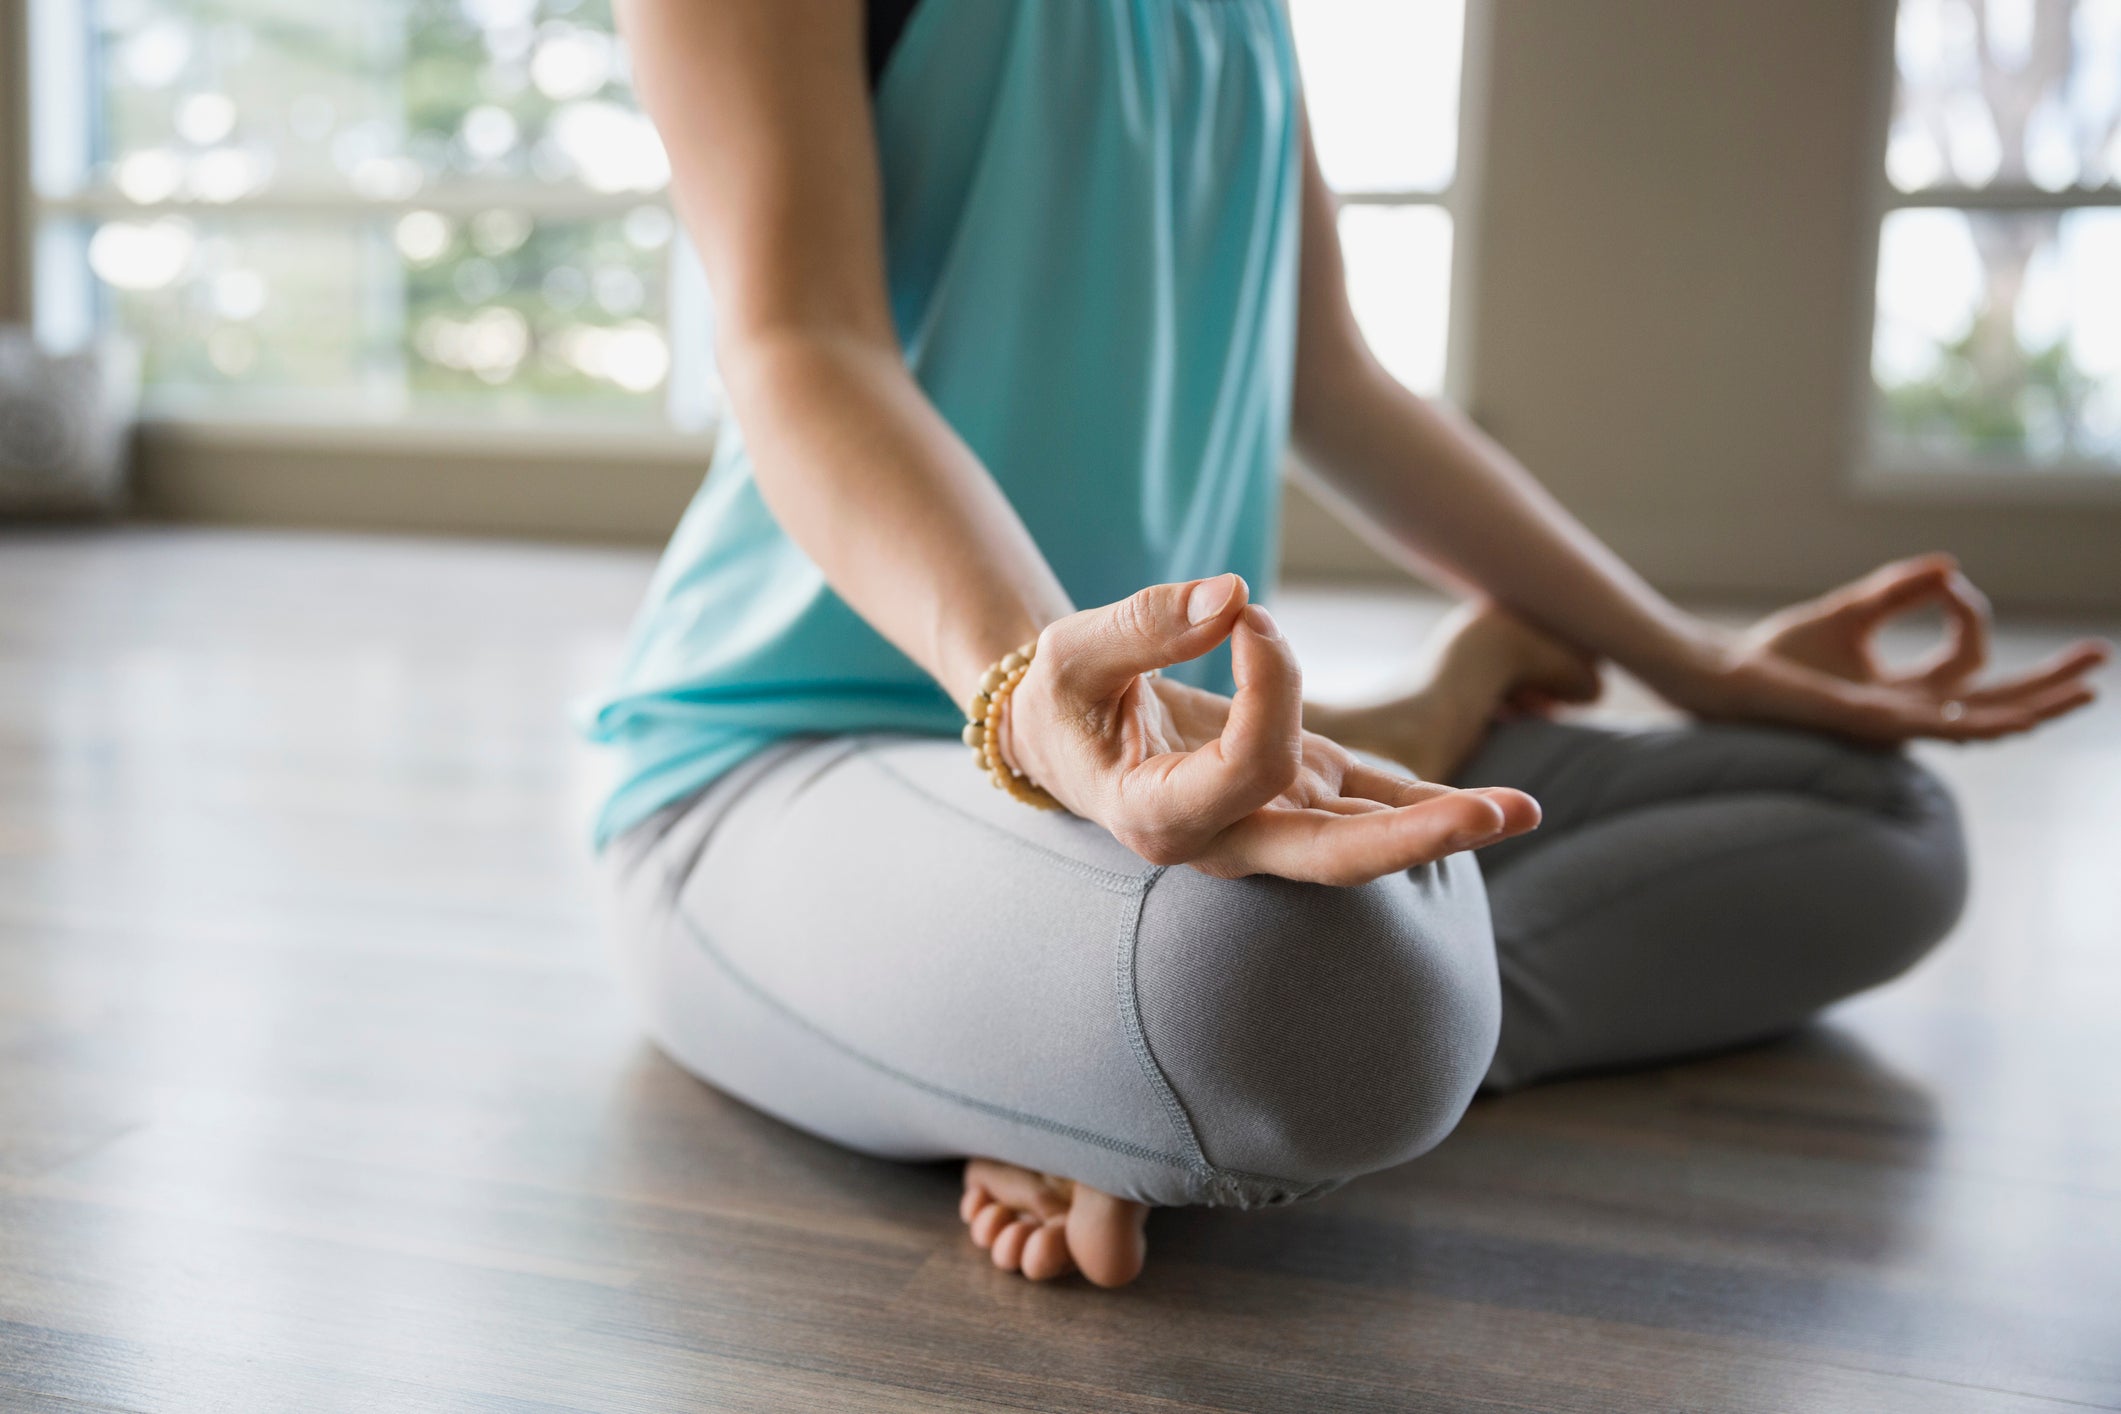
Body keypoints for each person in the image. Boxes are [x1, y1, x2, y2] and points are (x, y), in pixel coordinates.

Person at [587, 0, 2108, 1288]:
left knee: (1880, 821)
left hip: (1164, 775)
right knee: (1313, 1002)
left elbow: (1337, 381)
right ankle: (1175, 1023)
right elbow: (804, 340)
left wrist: (1694, 662)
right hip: (781, 769)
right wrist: (1034, 684)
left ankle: (1132, 1056)